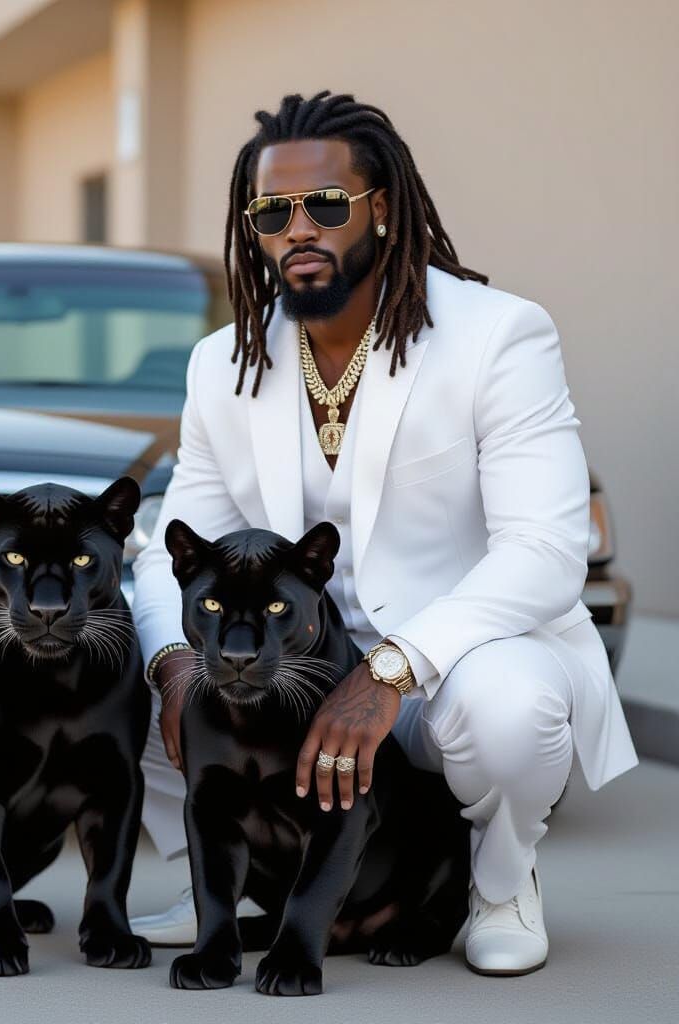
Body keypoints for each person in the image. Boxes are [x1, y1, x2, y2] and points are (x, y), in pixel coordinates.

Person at [128, 91, 638, 976]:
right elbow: (181, 540)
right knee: (126, 650)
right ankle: (220, 882)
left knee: (511, 713)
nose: (299, 229)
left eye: (326, 203)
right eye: (273, 211)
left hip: (453, 660)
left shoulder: (496, 337)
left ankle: (501, 881)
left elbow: (547, 553)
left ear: (385, 210)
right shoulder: (224, 361)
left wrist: (393, 667)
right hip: (294, 656)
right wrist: (173, 666)